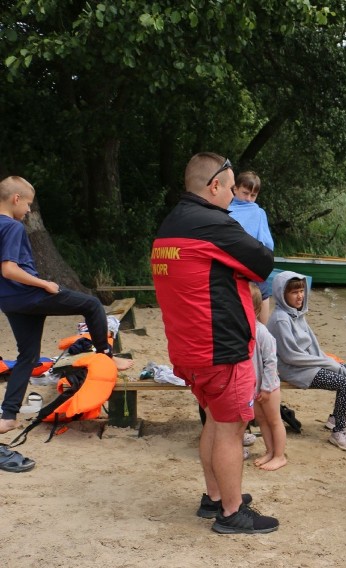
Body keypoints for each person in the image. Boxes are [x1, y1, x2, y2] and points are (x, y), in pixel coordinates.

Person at [151, 153, 277, 534]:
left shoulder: (169, 225)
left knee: (214, 422)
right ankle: (232, 513)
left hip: (188, 349)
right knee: (230, 428)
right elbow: (263, 262)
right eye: (231, 186)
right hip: (221, 349)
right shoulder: (212, 224)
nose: (235, 198)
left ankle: (215, 496)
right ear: (215, 186)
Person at [0, 176, 133, 440]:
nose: (28, 210)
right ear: (16, 199)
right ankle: (106, 357)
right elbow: (8, 268)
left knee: (27, 356)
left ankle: (8, 417)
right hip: (29, 295)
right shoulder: (12, 227)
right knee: (92, 304)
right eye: (27, 204)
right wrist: (44, 284)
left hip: (9, 301)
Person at [267, 271, 346, 452]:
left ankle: (336, 418)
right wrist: (328, 364)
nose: (300, 295)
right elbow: (291, 356)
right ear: (282, 294)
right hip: (294, 369)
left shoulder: (297, 314)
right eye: (294, 292)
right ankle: (338, 432)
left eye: (301, 290)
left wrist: (327, 360)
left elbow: (311, 346)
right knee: (345, 383)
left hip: (307, 363)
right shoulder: (281, 319)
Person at [247, 283, 288, 470]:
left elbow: (271, 362)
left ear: (254, 309)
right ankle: (270, 451)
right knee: (261, 421)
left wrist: (266, 387)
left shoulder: (262, 332)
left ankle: (280, 455)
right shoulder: (242, 332)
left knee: (274, 420)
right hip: (253, 388)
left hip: (268, 387)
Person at [229, 171, 275, 324]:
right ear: (235, 189)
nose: (248, 199)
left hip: (255, 270)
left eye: (253, 196)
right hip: (233, 272)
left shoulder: (259, 212)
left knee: (263, 324)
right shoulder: (225, 210)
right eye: (245, 193)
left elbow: (267, 244)